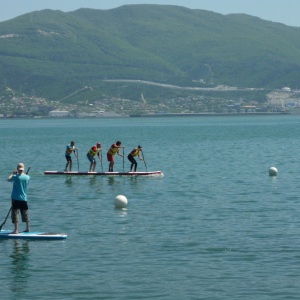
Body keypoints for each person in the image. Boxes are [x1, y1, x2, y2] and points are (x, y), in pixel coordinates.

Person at [7, 163, 30, 234]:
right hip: (24, 198)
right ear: (23, 169)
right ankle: (27, 228)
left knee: (15, 214)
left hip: (15, 198)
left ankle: (16, 230)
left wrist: (12, 173)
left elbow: (8, 180)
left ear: (17, 169)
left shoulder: (15, 176)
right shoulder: (28, 177)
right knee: (25, 213)